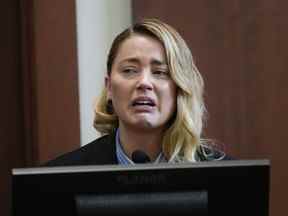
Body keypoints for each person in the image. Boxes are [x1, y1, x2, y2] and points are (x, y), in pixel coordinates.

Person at [45, 18, 229, 166]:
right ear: (109, 87)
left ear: (179, 88)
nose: (144, 83)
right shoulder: (59, 178)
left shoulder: (227, 180)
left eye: (160, 72)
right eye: (130, 70)